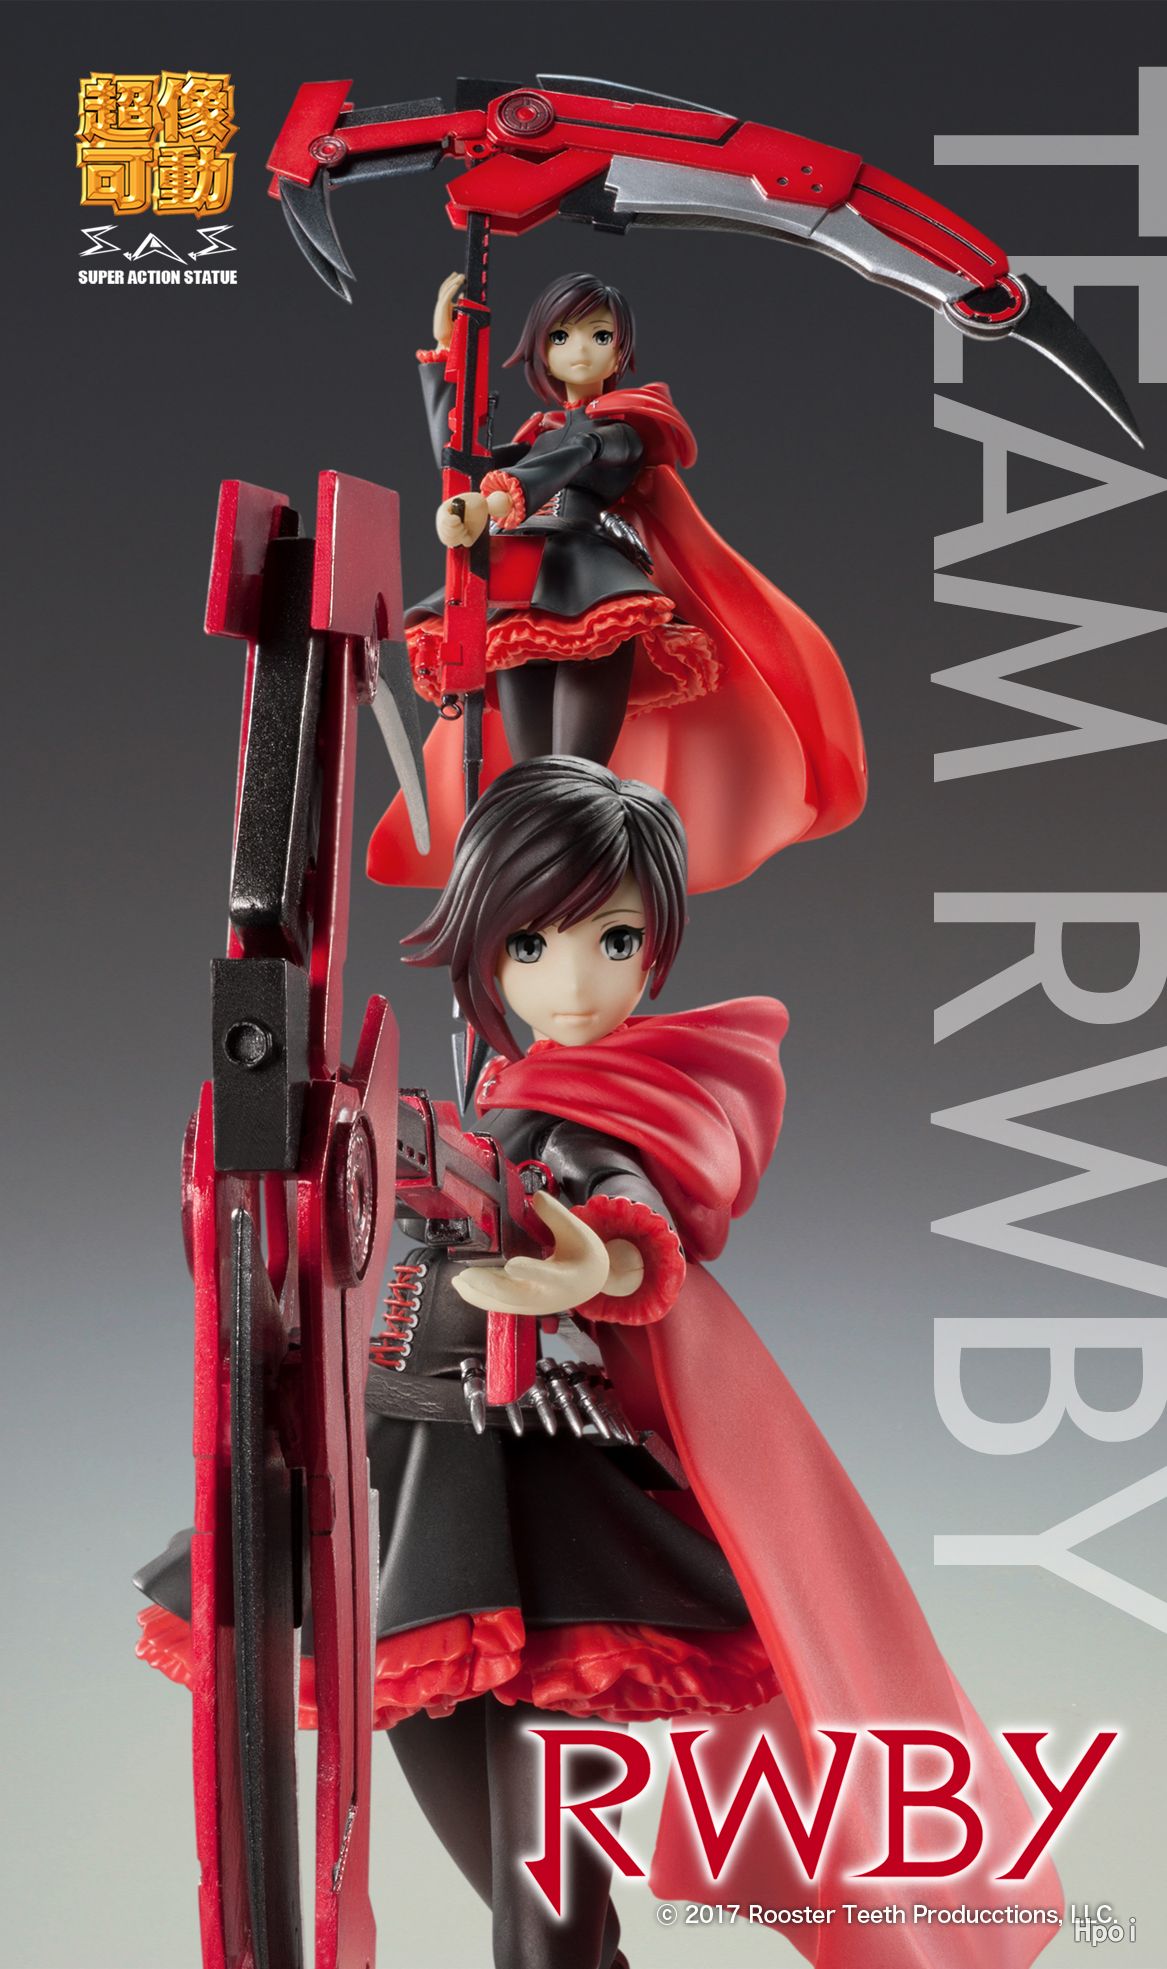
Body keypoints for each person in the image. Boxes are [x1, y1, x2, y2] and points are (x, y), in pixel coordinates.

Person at [138, 761, 1058, 1967]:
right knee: (500, 1874)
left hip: (541, 1510)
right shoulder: (496, 1089)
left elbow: (629, 1217)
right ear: (485, 948)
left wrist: (589, 1264)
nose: (572, 982)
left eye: (611, 940)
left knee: (547, 1924)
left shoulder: (610, 1111)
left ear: (653, 949)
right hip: (403, 1490)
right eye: (531, 944)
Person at [367, 274, 867, 895]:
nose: (580, 349)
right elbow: (462, 459)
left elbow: (578, 455)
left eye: (598, 335)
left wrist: (498, 498)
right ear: (540, 350)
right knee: (534, 775)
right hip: (519, 592)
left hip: (590, 591)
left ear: (620, 349)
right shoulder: (537, 434)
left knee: (577, 776)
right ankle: (539, 893)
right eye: (561, 336)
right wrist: (449, 358)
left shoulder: (627, 427)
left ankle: (582, 886)